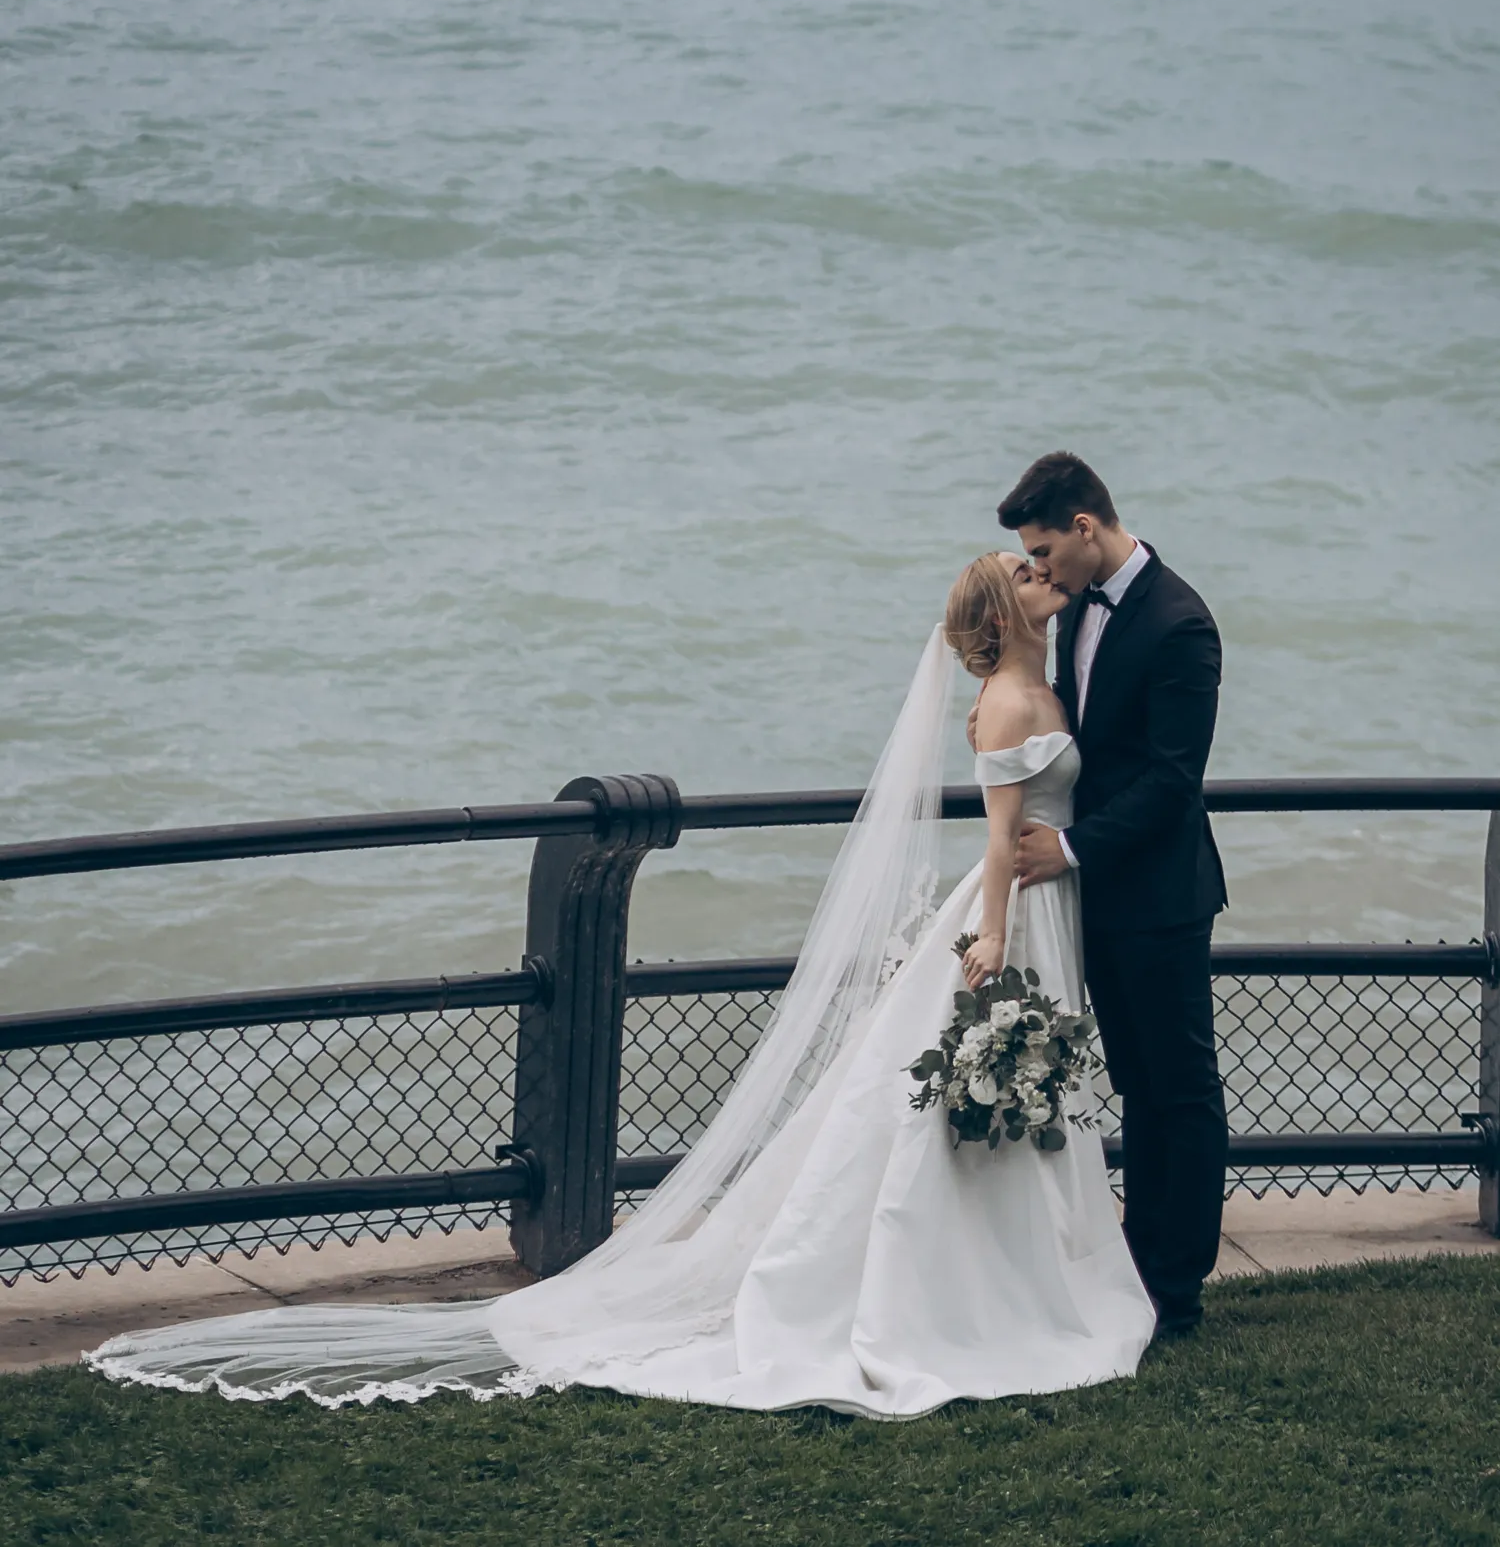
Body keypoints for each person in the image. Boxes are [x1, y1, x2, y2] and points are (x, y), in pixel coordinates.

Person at [90, 558, 1154, 1414]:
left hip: (1044, 906)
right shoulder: (1010, 704)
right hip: (1006, 914)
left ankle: (1019, 1276)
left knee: (1001, 1098)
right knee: (951, 1103)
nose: (1040, 574)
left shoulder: (1043, 683)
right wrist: (991, 937)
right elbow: (1004, 836)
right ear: (997, 611)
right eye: (1024, 572)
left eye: (1039, 562)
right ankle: (956, 1295)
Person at [987, 451, 1228, 1337]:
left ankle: (1177, 1287)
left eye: (1046, 550)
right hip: (1097, 896)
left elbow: (1173, 781)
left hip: (1161, 895)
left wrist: (1070, 848)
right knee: (1135, 1084)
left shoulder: (1179, 623)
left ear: (1085, 527)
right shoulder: (1080, 603)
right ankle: (1139, 1254)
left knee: (1181, 1092)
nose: (1040, 568)